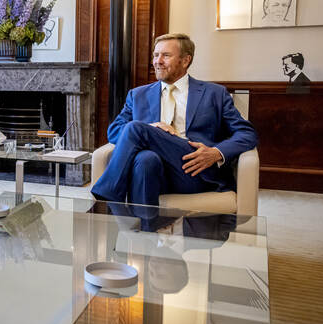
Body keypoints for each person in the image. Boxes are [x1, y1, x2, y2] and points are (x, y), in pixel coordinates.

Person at [91, 33, 257, 206]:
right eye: (156, 55)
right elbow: (114, 131)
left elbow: (246, 133)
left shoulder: (214, 93)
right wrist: (151, 128)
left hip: (195, 171)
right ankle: (144, 223)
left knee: (135, 129)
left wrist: (216, 153)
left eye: (166, 55)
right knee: (146, 159)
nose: (158, 61)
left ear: (185, 61)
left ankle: (105, 199)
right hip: (154, 172)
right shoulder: (138, 95)